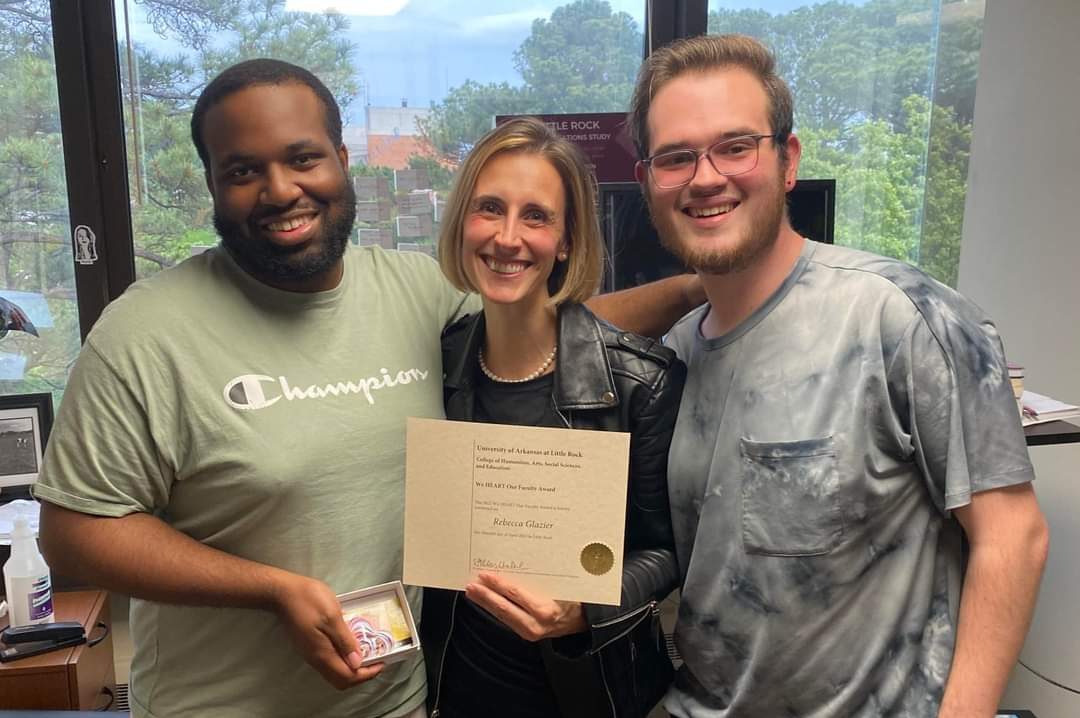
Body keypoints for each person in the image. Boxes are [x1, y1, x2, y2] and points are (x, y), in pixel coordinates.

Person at [32, 59, 701, 718]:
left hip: (402, 698)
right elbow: (73, 536)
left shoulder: (412, 293)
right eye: (242, 170)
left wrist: (699, 289)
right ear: (210, 182)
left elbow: (544, 322)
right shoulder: (145, 331)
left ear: (342, 160)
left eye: (302, 158)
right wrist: (271, 591)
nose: (280, 190)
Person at [627, 34, 1050, 718]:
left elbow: (1014, 537)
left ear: (787, 161)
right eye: (676, 157)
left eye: (736, 146)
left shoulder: (902, 317)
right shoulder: (673, 360)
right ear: (649, 180)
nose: (706, 177)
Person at [420, 117, 686, 718]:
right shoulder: (435, 365)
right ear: (464, 222)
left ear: (566, 240)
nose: (508, 238)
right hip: (456, 691)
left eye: (536, 216)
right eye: (490, 208)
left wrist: (585, 609)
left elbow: (668, 549)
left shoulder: (638, 383)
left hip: (590, 692)